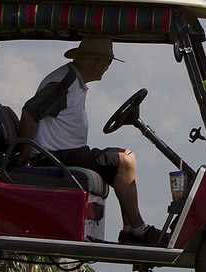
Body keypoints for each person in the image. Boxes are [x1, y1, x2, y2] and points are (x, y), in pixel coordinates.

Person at [18, 37, 163, 245]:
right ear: (96, 62)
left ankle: (130, 230)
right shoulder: (63, 83)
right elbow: (30, 113)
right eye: (107, 63)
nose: (107, 68)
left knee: (122, 160)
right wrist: (25, 154)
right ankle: (138, 228)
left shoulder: (74, 81)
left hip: (68, 153)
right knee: (125, 160)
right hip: (55, 157)